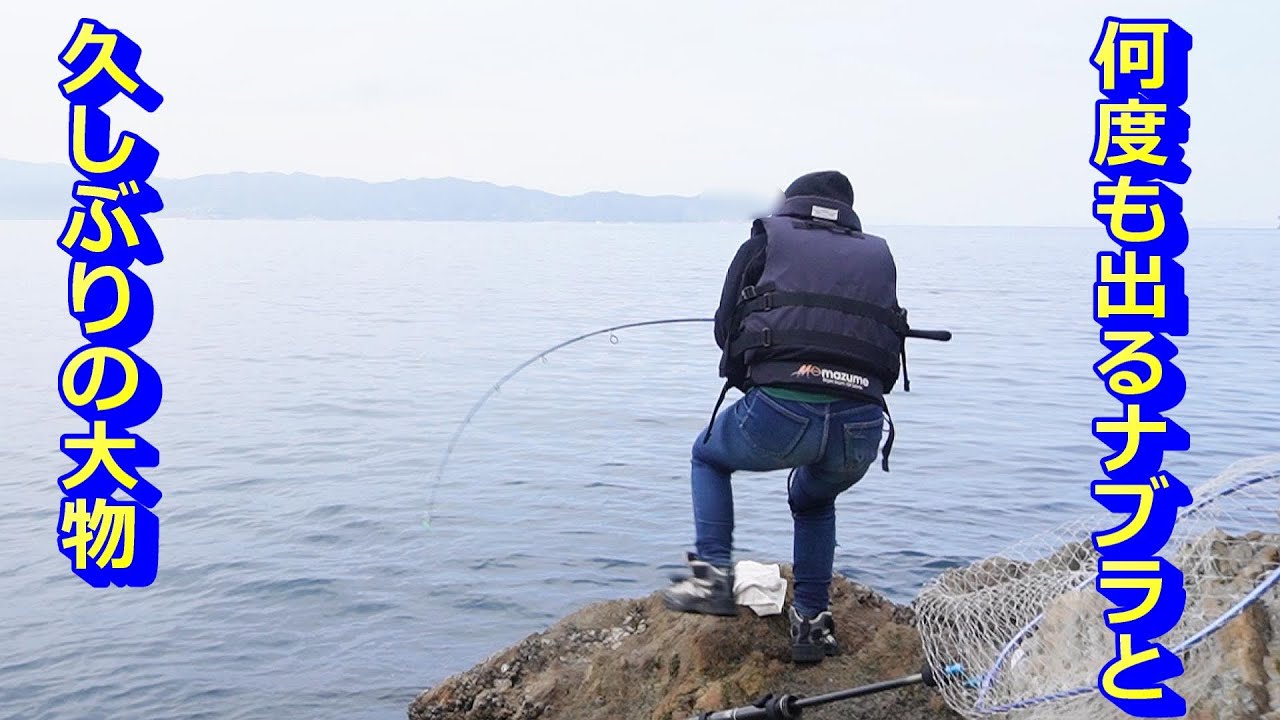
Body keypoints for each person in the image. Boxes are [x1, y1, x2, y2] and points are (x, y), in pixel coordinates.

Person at [661, 170, 909, 665]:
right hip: (861, 426)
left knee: (707, 457)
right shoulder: (878, 256)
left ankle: (711, 579)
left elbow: (724, 329)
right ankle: (813, 626)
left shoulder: (764, 242)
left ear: (793, 203)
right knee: (813, 500)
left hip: (780, 412)